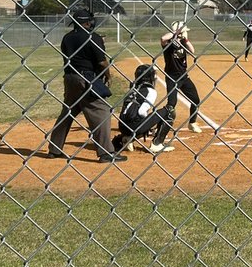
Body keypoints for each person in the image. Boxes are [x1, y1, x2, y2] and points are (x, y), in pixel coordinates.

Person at [47, 10, 125, 162]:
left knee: (68, 112)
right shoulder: (93, 37)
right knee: (101, 111)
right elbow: (102, 62)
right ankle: (106, 153)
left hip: (69, 78)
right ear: (88, 22)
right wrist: (108, 75)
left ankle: (54, 149)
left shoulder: (67, 38)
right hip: (86, 78)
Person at [113, 63, 173, 154]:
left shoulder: (132, 89)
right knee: (169, 111)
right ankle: (157, 144)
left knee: (139, 120)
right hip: (134, 126)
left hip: (122, 126)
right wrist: (148, 125)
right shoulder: (150, 91)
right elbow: (141, 112)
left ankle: (126, 138)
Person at [161, 22, 203, 133]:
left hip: (184, 77)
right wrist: (176, 33)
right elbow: (163, 38)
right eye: (184, 32)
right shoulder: (168, 45)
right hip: (172, 77)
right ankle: (162, 125)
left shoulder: (184, 43)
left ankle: (192, 123)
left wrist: (185, 39)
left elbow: (192, 51)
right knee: (171, 104)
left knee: (195, 100)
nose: (186, 34)